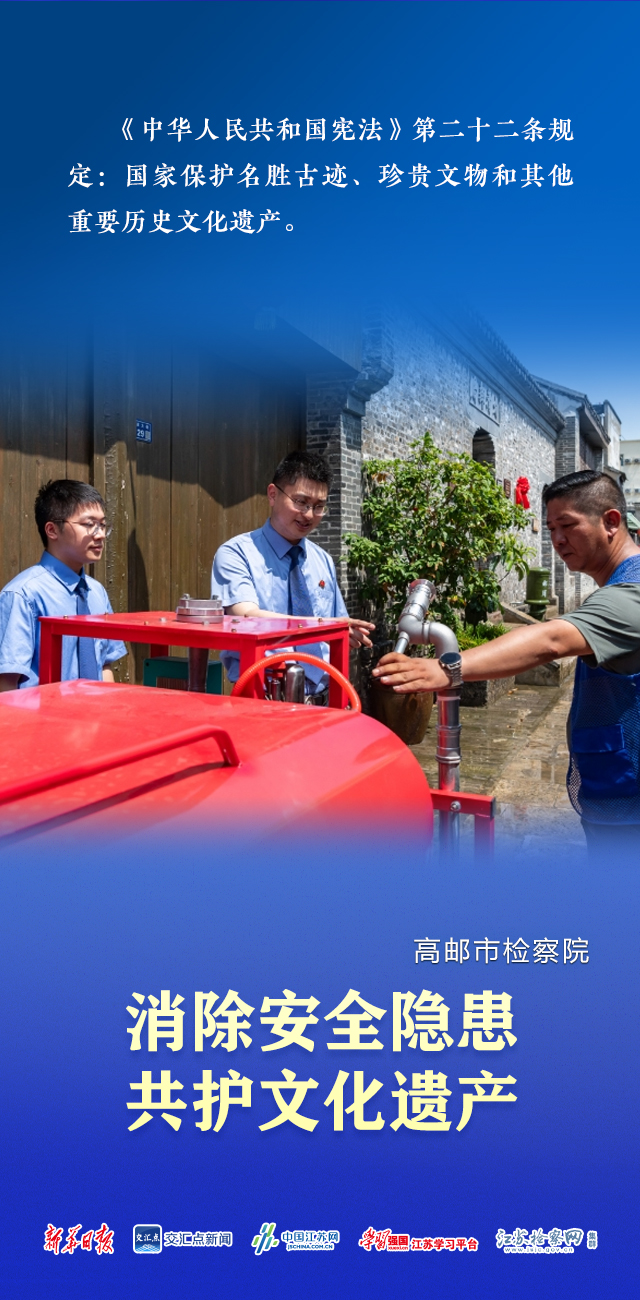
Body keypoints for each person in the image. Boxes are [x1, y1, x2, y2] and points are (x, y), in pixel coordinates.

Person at [373, 469, 640, 847]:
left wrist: (446, 668)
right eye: (551, 528)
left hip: (628, 802)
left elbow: (551, 640)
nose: (557, 540)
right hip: (612, 786)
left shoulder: (632, 591)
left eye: (567, 525)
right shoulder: (616, 585)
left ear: (611, 521)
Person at [211, 450, 374, 702]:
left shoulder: (323, 560)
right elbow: (246, 617)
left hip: (324, 700)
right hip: (263, 698)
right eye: (301, 502)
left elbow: (336, 630)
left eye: (318, 506)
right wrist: (322, 625)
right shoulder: (236, 554)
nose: (308, 515)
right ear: (273, 494)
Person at [0, 480, 127, 690]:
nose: (100, 534)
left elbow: (105, 664)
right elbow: (6, 682)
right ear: (52, 530)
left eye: (103, 525)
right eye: (89, 524)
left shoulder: (97, 592)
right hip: (43, 711)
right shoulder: (23, 595)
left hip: (96, 711)